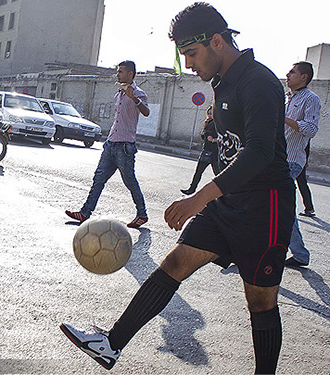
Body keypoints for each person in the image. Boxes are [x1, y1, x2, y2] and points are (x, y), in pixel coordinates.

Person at [60, 3, 295, 374]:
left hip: (265, 207)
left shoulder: (258, 81)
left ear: (217, 41)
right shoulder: (222, 82)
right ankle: (111, 344)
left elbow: (261, 152)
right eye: (183, 54)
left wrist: (199, 196)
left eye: (191, 53)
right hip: (228, 202)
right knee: (175, 262)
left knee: (261, 303)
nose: (188, 64)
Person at [65, 60, 150, 228]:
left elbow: (146, 112)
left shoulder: (139, 93)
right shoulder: (118, 93)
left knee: (130, 181)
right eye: (117, 71)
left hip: (125, 146)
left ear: (130, 74)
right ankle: (84, 213)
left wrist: (135, 99)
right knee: (98, 179)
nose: (117, 74)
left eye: (120, 72)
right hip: (111, 144)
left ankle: (142, 214)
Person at [283, 61, 320, 268]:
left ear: (303, 77)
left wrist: (285, 119)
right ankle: (299, 254)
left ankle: (300, 253)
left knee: (282, 207)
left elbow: (311, 128)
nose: (287, 75)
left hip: (291, 161)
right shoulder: (286, 98)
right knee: (276, 205)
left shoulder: (310, 99)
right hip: (275, 159)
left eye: (292, 72)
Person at [181, 105, 220, 195]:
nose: (210, 115)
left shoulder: (218, 124)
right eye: (208, 113)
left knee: (218, 174)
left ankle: (223, 192)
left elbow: (223, 137)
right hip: (206, 151)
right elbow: (203, 137)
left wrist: (214, 140)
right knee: (198, 171)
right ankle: (191, 189)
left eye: (212, 113)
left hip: (214, 153)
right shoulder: (209, 123)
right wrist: (204, 126)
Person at [296, 141, 316, 217]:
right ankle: (309, 208)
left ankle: (309, 208)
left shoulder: (301, 130)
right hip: (301, 160)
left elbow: (306, 147)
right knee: (302, 183)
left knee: (300, 183)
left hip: (296, 160)